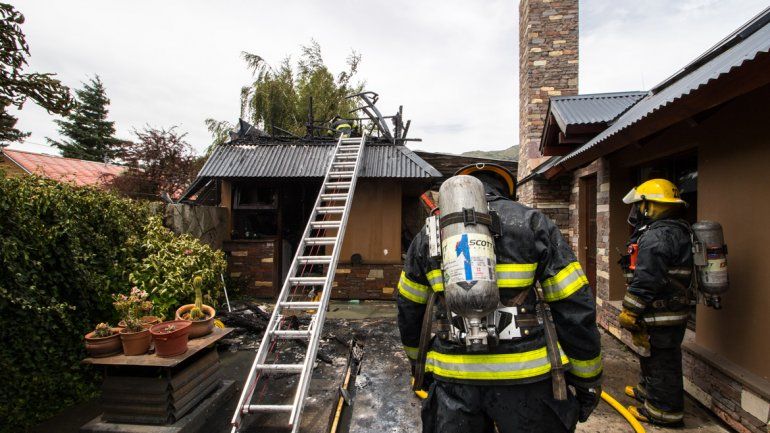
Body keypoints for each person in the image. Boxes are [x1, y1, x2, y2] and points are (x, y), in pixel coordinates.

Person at [398, 163, 603, 433]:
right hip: (528, 382)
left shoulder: (430, 235)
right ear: (506, 190)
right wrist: (587, 377)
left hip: (454, 382)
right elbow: (574, 305)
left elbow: (409, 309)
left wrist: (419, 365)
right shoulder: (533, 223)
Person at [618, 178, 692, 427]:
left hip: (662, 312)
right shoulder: (674, 230)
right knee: (651, 354)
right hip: (664, 309)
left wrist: (630, 310)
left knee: (663, 361)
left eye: (639, 205)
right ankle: (648, 392)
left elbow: (648, 278)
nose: (635, 211)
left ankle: (663, 413)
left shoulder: (659, 236)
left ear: (651, 207)